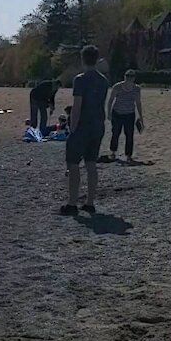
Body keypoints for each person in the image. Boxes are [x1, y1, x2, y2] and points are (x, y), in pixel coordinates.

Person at [61, 45, 110, 216]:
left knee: (73, 164)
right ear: (97, 60)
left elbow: (77, 106)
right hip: (98, 125)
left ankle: (72, 203)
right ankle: (90, 202)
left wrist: (72, 127)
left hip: (83, 125)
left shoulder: (80, 80)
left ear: (83, 60)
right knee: (91, 164)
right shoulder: (103, 80)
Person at [106, 69, 145, 162]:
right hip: (117, 113)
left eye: (131, 76)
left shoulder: (137, 89)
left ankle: (128, 155)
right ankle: (113, 152)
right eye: (127, 76)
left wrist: (141, 117)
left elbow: (138, 103)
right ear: (124, 77)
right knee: (115, 133)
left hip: (130, 114)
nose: (129, 78)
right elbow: (111, 100)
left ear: (134, 78)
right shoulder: (117, 87)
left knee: (129, 135)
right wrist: (109, 113)